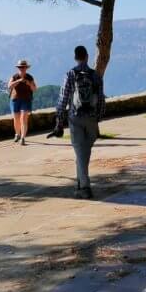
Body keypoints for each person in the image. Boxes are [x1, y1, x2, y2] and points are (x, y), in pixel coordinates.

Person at [51, 45, 105, 200]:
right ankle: (80, 185)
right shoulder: (95, 75)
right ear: (87, 56)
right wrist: (98, 119)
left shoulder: (70, 74)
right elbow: (101, 99)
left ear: (75, 57)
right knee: (83, 152)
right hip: (92, 118)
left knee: (81, 152)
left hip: (75, 117)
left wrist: (59, 121)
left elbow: (63, 99)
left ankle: (85, 187)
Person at [8, 59, 37, 145]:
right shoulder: (14, 77)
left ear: (26, 68)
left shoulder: (30, 77)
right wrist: (18, 81)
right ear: (18, 68)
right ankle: (17, 134)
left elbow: (34, 89)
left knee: (23, 118)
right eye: (21, 67)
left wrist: (29, 83)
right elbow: (9, 86)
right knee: (16, 118)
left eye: (24, 67)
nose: (22, 68)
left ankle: (23, 138)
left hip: (26, 99)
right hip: (15, 99)